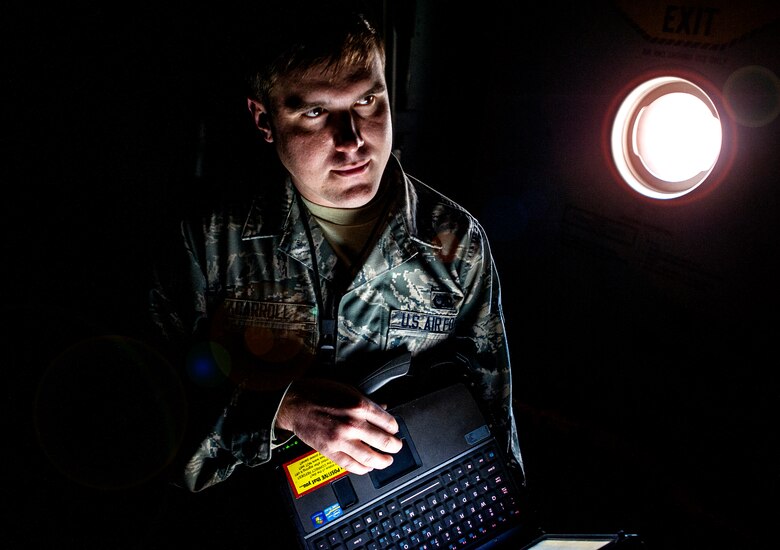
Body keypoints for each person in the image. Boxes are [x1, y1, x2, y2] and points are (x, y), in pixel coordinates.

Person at [148, 0, 523, 514]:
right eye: (316, 112)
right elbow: (148, 411)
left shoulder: (455, 243)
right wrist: (282, 407)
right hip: (246, 518)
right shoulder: (210, 239)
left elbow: (493, 423)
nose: (353, 143)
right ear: (264, 120)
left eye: (369, 101)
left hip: (401, 519)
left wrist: (503, 523)